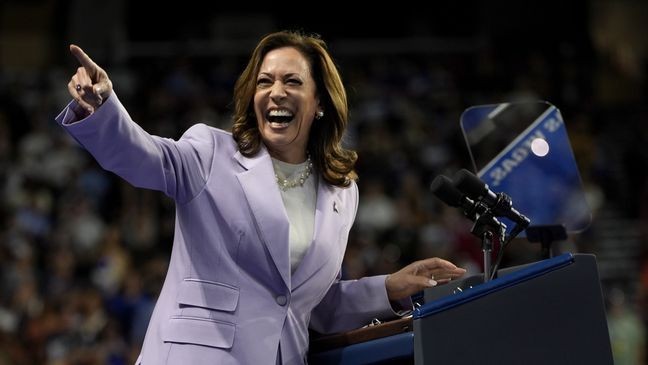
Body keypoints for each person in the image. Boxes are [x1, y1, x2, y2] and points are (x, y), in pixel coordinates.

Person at [56, 30, 467, 365]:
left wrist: (390, 287)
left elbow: (309, 306)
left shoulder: (342, 191)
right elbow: (143, 156)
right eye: (265, 81)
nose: (276, 92)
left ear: (319, 102)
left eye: (292, 81)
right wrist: (104, 108)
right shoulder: (210, 152)